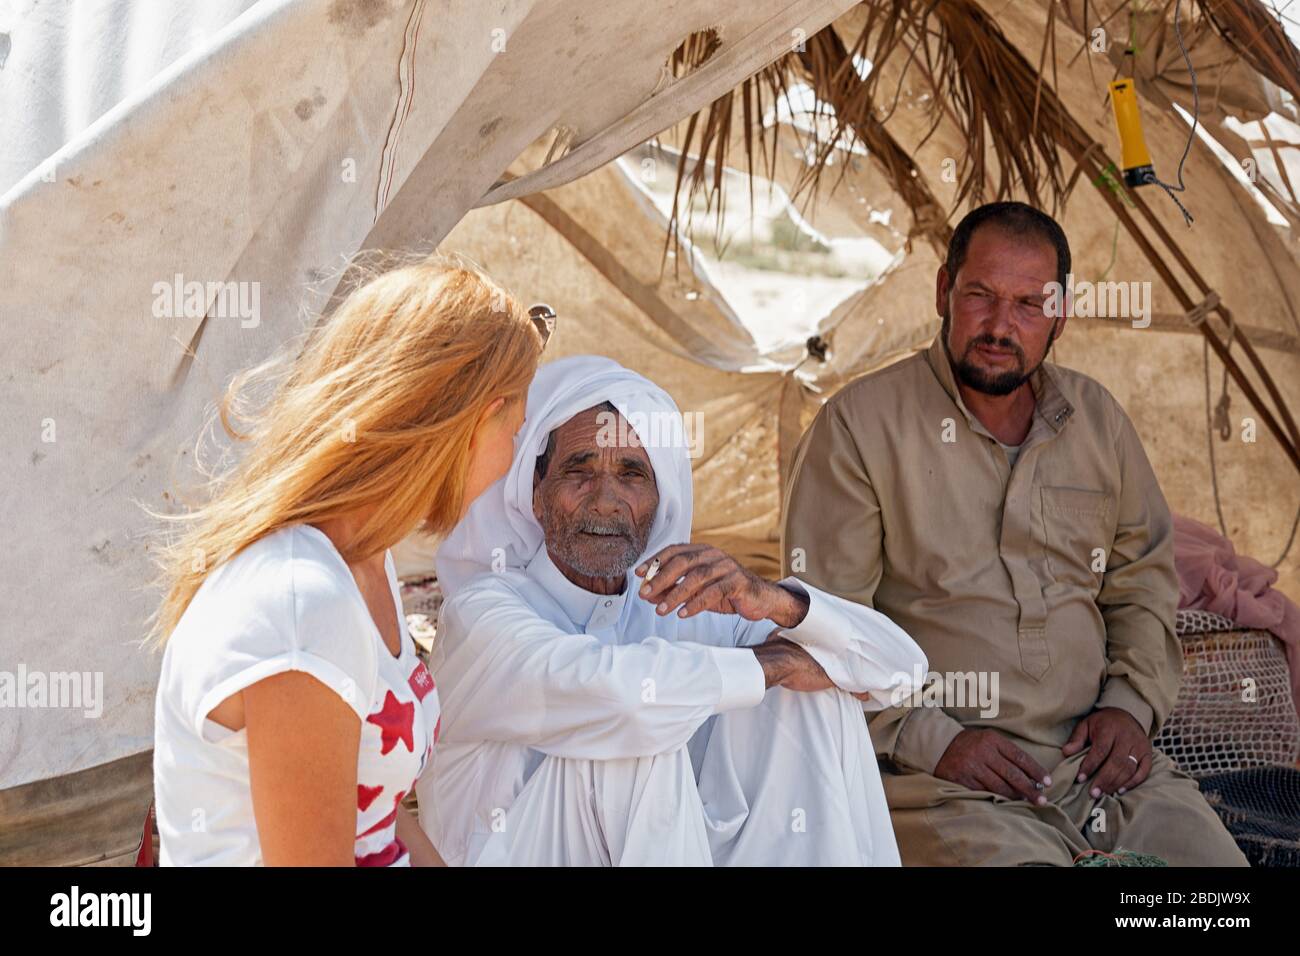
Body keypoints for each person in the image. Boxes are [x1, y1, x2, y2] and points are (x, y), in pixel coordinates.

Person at [782, 201, 1248, 865]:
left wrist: (1130, 708)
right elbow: (827, 630)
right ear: (945, 291)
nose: (1001, 326)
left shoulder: (1098, 421)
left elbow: (1142, 581)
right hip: (940, 781)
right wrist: (931, 738)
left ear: (1060, 314)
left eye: (1030, 303)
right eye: (981, 295)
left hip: (1095, 768)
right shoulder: (860, 426)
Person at [419, 355, 927, 866]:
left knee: (815, 694)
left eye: (631, 473)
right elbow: (619, 697)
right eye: (580, 469)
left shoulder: (678, 604)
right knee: (635, 730)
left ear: (661, 497)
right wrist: (770, 665)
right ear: (535, 490)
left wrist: (778, 603)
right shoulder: (483, 611)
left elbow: (902, 672)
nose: (605, 500)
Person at [150, 257, 547, 866]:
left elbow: (377, 818)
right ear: (468, 425)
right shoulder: (303, 600)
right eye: (514, 433)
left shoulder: (362, 560)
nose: (516, 459)